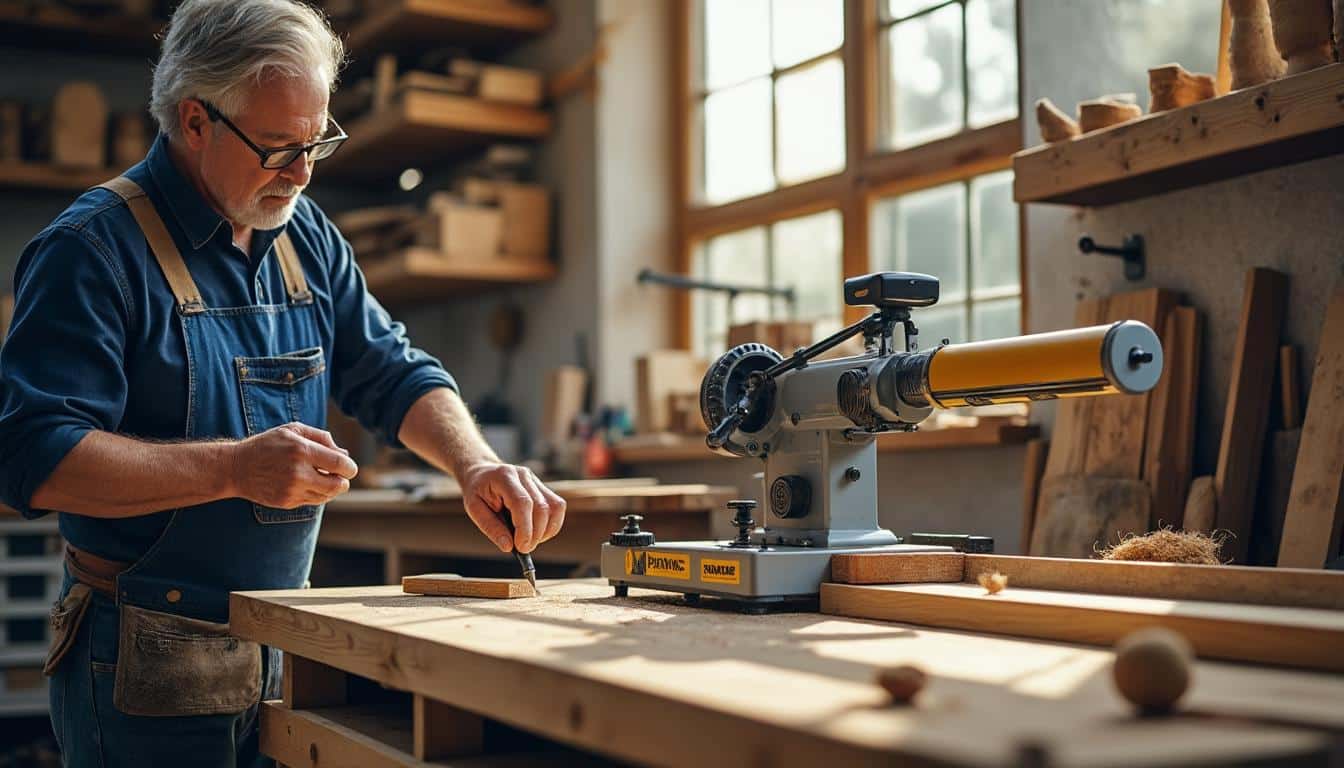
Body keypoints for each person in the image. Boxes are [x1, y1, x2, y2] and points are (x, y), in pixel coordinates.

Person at [0, 1, 565, 764]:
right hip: (138, 658)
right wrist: (235, 469)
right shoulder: (91, 251)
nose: (302, 173)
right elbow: (34, 456)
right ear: (195, 121)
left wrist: (475, 464)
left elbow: (392, 370)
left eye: (316, 142)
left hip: (278, 643)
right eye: (277, 147)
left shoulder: (306, 235)